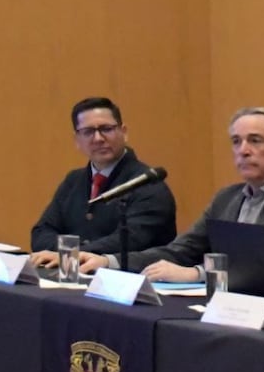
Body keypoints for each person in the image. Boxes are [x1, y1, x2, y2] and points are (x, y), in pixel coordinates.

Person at [79, 107, 264, 292]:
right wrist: (108, 261)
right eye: (236, 142)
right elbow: (180, 250)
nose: (243, 150)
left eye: (255, 141)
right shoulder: (227, 198)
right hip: (229, 307)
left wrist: (196, 273)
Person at [29, 97, 177, 266]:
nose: (98, 138)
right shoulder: (73, 180)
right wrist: (70, 254)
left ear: (124, 132)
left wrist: (72, 253)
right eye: (88, 132)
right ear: (77, 140)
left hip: (130, 283)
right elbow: (42, 232)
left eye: (106, 129)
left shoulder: (148, 184)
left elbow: (131, 240)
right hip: (74, 276)